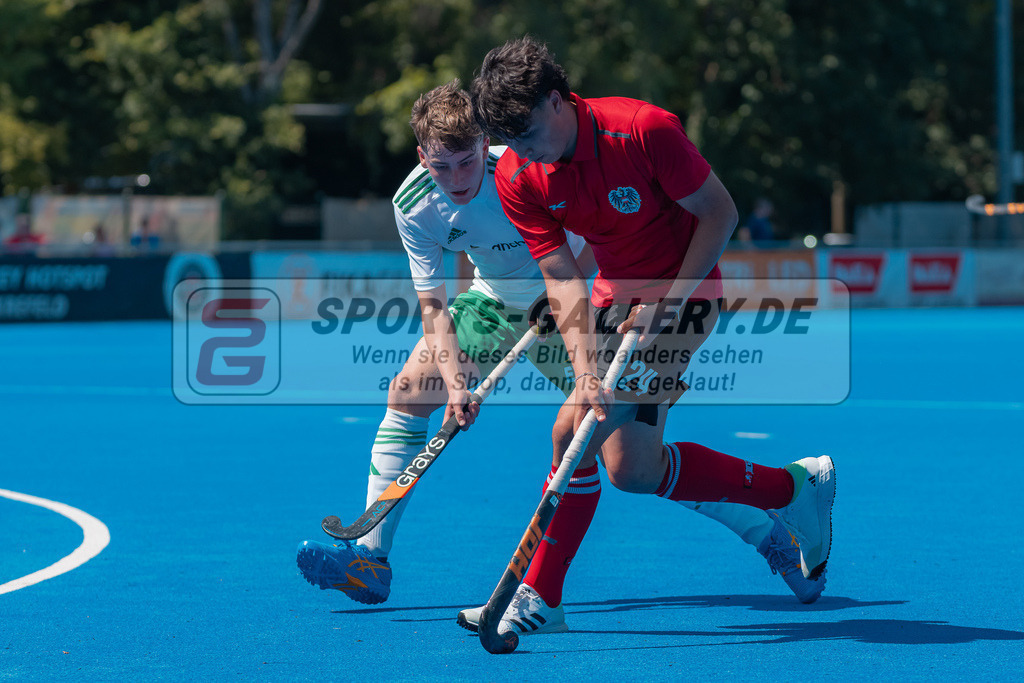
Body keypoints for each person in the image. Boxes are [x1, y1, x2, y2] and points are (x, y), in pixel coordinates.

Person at [459, 36, 835, 636]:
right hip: (613, 300)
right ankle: (791, 487)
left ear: (556, 100)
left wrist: (669, 301)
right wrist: (586, 370)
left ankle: (541, 596)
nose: (524, 151)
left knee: (571, 432)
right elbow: (562, 275)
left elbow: (720, 213)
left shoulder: (641, 130)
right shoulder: (518, 172)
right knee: (632, 470)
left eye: (527, 134)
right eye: (512, 141)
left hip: (688, 295)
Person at [295, 80, 591, 604]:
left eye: (466, 161)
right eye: (441, 166)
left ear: (484, 143)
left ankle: (753, 512)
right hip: (492, 299)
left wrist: (563, 294)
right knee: (410, 391)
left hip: (568, 296)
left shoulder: (527, 167)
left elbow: (594, 238)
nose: (456, 179)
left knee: (626, 452)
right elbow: (433, 306)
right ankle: (368, 561)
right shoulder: (414, 204)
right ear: (421, 157)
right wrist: (456, 386)